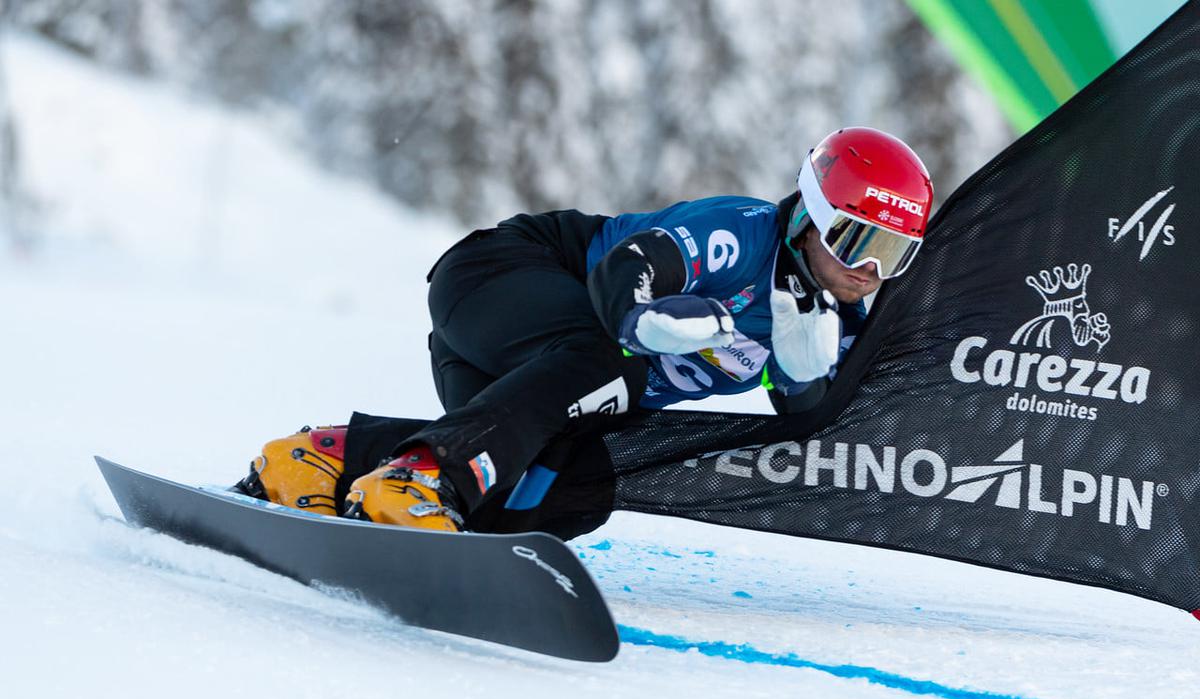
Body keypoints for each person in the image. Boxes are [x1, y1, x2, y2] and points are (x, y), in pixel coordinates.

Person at [236, 127, 933, 534]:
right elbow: (628, 268)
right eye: (855, 239)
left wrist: (805, 372)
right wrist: (643, 320)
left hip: (538, 385)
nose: (869, 268)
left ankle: (326, 459)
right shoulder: (741, 235)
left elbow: (807, 414)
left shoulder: (831, 318)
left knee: (572, 491)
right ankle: (419, 478)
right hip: (498, 280)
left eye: (893, 253)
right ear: (811, 215)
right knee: (609, 366)